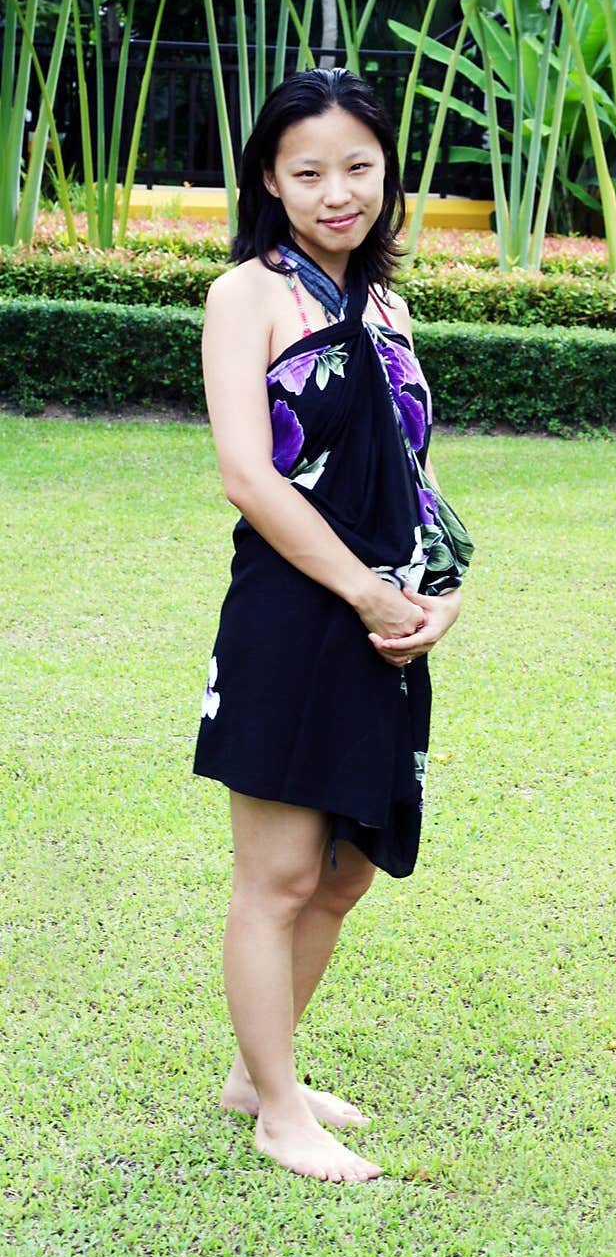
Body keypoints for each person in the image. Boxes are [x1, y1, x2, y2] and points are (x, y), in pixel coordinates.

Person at [193, 68, 473, 1184]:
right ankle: (275, 1113)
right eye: (307, 171)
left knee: (347, 871)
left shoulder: (392, 307)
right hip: (293, 617)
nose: (337, 191)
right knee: (276, 877)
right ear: (270, 177)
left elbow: (418, 470)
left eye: (358, 165)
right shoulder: (245, 295)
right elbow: (247, 476)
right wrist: (360, 588)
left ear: (387, 172)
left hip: (388, 620)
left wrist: (443, 592)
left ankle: (256, 1072)